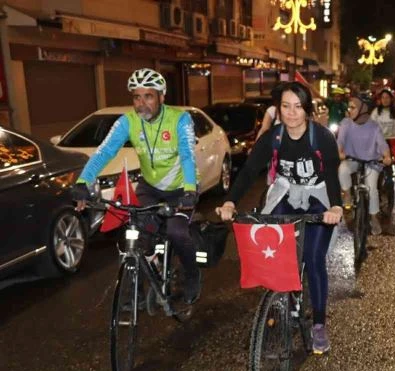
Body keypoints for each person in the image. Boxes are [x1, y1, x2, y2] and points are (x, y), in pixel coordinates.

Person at [216, 82, 343, 354]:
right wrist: (230, 201)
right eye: (286, 106)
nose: (291, 113)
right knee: (272, 247)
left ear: (307, 109)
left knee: (313, 257)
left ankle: (319, 324)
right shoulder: (273, 137)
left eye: (298, 107)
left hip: (318, 196)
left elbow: (332, 174)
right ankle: (279, 303)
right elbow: (249, 171)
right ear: (278, 109)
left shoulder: (321, 137)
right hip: (286, 193)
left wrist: (336, 207)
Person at [71, 68, 201, 304]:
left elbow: (187, 155)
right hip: (150, 187)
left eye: (148, 96)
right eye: (136, 97)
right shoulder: (128, 122)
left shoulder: (180, 119)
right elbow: (104, 152)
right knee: (137, 234)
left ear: (161, 96)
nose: (142, 104)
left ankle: (193, 277)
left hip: (181, 189)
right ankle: (139, 287)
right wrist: (83, 181)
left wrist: (190, 189)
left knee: (177, 232)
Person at [337, 93, 392, 235]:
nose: (349, 110)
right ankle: (347, 194)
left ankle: (374, 218)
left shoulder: (374, 127)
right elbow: (340, 141)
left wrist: (386, 156)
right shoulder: (346, 123)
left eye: (353, 107)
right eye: (349, 107)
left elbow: (382, 144)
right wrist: (339, 152)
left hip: (372, 162)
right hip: (352, 160)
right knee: (342, 169)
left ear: (363, 109)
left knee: (371, 188)